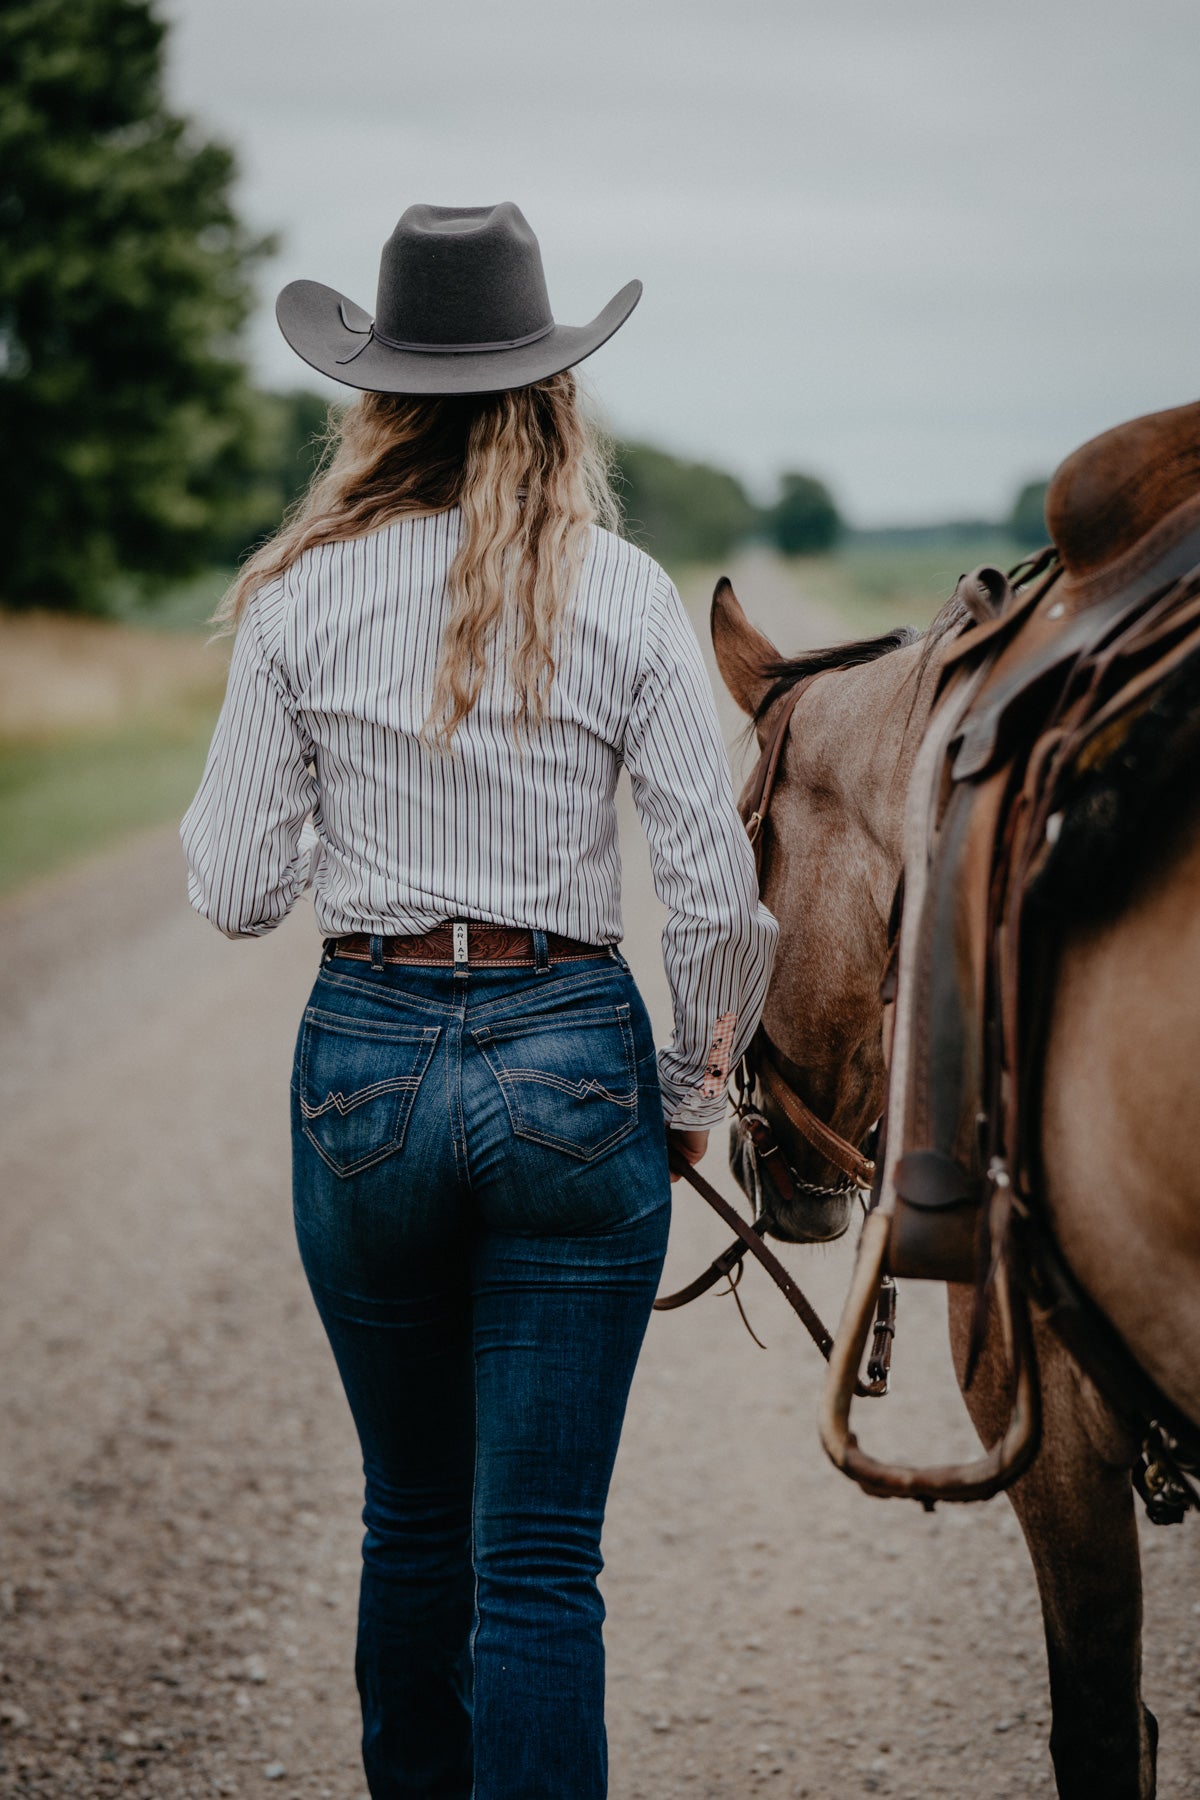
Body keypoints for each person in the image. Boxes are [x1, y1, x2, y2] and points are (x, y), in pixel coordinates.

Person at [182, 201, 777, 1800]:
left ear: (377, 399)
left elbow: (234, 887)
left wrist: (342, 808)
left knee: (412, 1524)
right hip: (573, 1060)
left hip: (364, 1061)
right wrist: (690, 1099)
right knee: (536, 1566)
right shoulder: (631, 592)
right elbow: (719, 904)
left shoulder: (300, 600)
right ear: (551, 395)